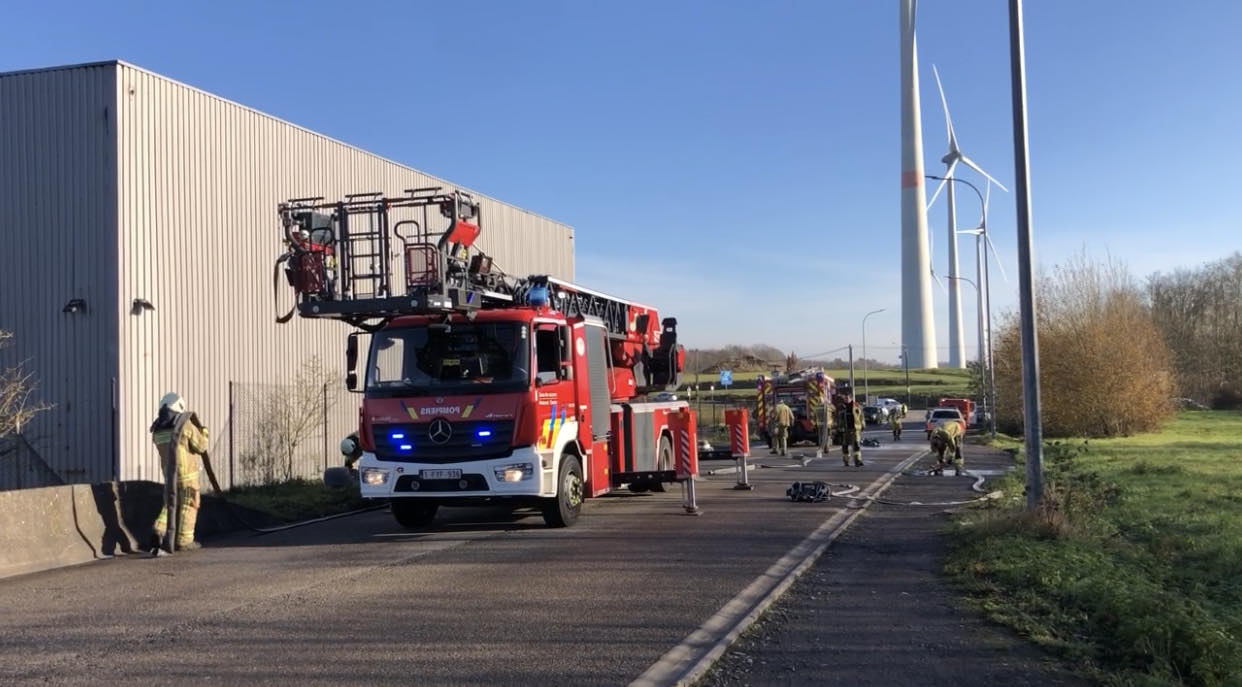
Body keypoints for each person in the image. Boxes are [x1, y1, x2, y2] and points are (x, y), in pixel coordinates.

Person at [149, 393, 210, 555]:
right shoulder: (185, 425)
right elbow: (201, 446)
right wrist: (204, 431)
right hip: (188, 476)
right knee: (189, 506)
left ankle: (159, 529)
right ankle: (184, 540)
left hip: (170, 477)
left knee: (169, 505)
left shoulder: (157, 430)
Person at [838, 394, 864, 467]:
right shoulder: (842, 407)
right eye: (845, 398)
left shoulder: (856, 406)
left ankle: (857, 461)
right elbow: (838, 418)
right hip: (845, 430)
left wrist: (863, 425)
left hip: (855, 429)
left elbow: (861, 416)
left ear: (851, 398)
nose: (845, 399)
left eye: (847, 398)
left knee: (856, 445)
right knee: (845, 446)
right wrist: (838, 428)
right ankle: (846, 461)